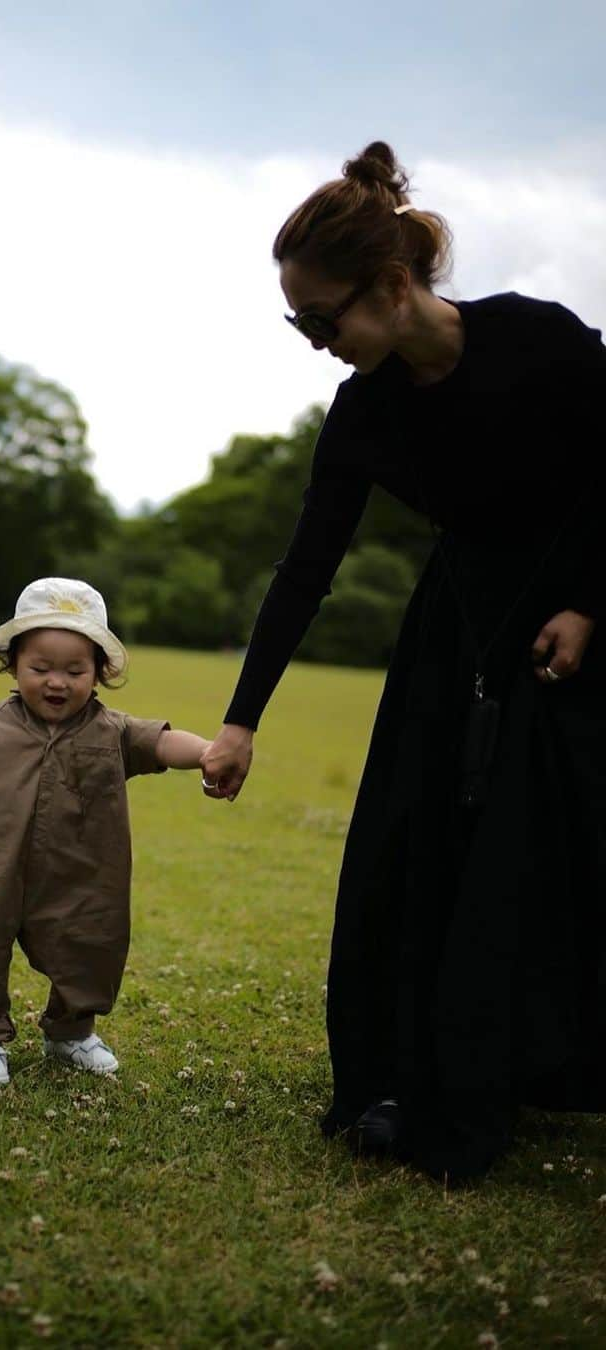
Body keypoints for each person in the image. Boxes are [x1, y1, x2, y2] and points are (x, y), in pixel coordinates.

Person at [200, 141, 606, 1183]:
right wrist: (243, 718)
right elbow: (305, 569)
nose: (313, 342)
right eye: (299, 324)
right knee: (411, 842)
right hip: (460, 625)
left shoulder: (539, 340)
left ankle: (529, 1068)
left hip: (578, 614)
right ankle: (410, 1075)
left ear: (391, 287)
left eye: (323, 320)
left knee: (545, 852)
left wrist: (588, 603)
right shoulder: (369, 409)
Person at [0, 576, 211, 1086]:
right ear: (13, 664)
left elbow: (162, 743)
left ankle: (70, 1032)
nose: (57, 682)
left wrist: (209, 753)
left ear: (99, 673)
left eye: (75, 670)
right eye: (40, 668)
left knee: (90, 944)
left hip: (82, 871)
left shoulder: (110, 729)